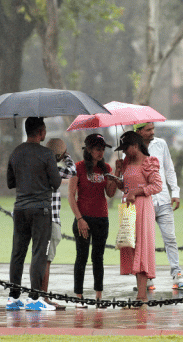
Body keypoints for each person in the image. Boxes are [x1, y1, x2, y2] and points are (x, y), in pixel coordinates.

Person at [5, 117, 61, 311]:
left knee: (17, 252)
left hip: (20, 208)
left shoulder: (16, 152)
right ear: (41, 132)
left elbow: (10, 182)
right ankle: (35, 298)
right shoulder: (46, 154)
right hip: (41, 210)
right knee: (39, 252)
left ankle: (13, 298)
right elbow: (56, 182)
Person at [133, 122, 183, 291]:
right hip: (144, 202)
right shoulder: (131, 149)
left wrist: (175, 192)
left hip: (163, 199)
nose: (152, 132)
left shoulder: (161, 144)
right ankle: (147, 278)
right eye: (148, 129)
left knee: (170, 238)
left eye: (152, 129)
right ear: (139, 131)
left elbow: (169, 169)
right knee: (145, 242)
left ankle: (177, 274)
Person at [68, 134, 118, 308]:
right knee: (81, 257)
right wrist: (79, 219)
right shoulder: (78, 168)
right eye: (98, 149)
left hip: (102, 218)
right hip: (84, 218)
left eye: (103, 149)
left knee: (98, 257)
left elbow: (110, 194)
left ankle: (98, 297)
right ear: (88, 149)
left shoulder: (107, 169)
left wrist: (116, 173)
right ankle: (79, 297)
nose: (101, 152)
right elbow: (71, 196)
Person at [114, 131, 163, 302]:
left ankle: (142, 295)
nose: (125, 152)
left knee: (142, 247)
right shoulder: (127, 163)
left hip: (142, 208)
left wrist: (137, 191)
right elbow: (125, 188)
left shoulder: (147, 162)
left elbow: (157, 186)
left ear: (135, 145)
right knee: (132, 247)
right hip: (128, 208)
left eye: (126, 148)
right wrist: (118, 172)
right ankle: (140, 292)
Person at [43, 138, 77, 310]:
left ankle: (38, 295)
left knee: (39, 259)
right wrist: (67, 157)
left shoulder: (39, 168)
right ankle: (43, 297)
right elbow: (72, 171)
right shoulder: (54, 170)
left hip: (39, 220)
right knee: (47, 260)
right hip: (51, 220)